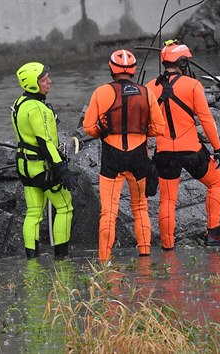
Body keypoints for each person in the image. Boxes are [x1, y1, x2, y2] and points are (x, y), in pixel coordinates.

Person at [145, 40, 220, 248]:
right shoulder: (193, 85)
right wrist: (218, 148)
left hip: (164, 153)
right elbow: (206, 120)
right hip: (192, 151)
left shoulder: (150, 88)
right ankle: (214, 234)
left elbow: (145, 124)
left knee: (167, 200)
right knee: (216, 182)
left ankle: (168, 244)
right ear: (183, 62)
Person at [83, 49, 165, 262]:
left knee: (108, 211)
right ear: (134, 69)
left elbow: (88, 126)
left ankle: (104, 259)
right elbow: (159, 127)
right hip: (138, 156)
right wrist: (142, 130)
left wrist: (104, 132)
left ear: (112, 69)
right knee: (140, 207)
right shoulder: (146, 92)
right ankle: (145, 254)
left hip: (112, 156)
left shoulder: (101, 92)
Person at [11, 62, 78, 259]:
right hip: (42, 168)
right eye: (44, 79)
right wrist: (61, 170)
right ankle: (61, 257)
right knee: (65, 206)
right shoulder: (38, 109)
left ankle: (32, 260)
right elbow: (46, 143)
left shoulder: (19, 104)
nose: (49, 81)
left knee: (33, 212)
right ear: (33, 84)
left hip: (25, 166)